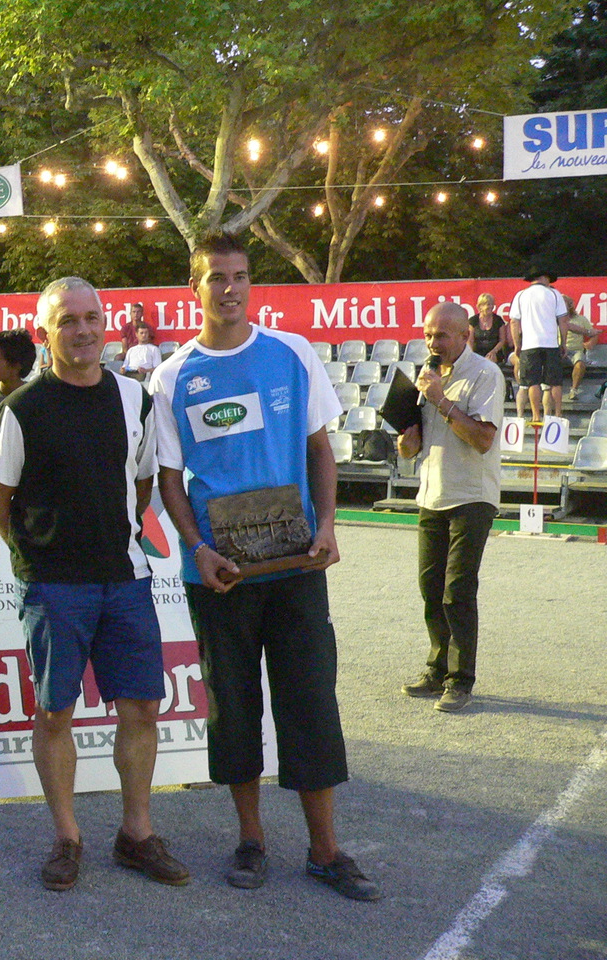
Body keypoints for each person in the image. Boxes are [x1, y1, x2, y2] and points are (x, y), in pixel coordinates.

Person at [151, 231, 379, 902]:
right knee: (234, 710)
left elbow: (320, 449)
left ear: (252, 283)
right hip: (220, 578)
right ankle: (250, 840)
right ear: (194, 288)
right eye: (216, 277)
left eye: (240, 276)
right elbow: (170, 480)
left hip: (296, 571)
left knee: (310, 705)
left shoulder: (292, 353)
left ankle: (325, 850)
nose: (230, 289)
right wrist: (198, 548)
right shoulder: (172, 377)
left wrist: (328, 525)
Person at [0, 277, 188, 893]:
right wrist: (41, 559)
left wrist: (110, 536)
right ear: (45, 332)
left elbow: (143, 484)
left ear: (106, 323)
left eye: (92, 317)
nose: (83, 330)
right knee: (55, 712)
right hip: (54, 587)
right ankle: (67, 838)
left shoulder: (134, 398)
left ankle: (136, 834)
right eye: (68, 320)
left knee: (142, 707)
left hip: (126, 578)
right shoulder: (20, 409)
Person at [396, 303, 504, 714]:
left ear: (465, 335)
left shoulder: (485, 374)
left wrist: (441, 400)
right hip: (431, 494)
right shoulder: (426, 377)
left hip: (471, 495)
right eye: (427, 335)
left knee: (457, 591)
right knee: (430, 588)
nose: (432, 343)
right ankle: (437, 668)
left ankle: (460, 680)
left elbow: (482, 439)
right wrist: (407, 442)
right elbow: (413, 448)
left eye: (440, 335)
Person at [508, 269, 567, 421]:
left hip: (529, 344)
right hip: (551, 343)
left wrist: (517, 344)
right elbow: (563, 321)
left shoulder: (521, 295)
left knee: (532, 382)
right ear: (544, 278)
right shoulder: (554, 294)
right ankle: (558, 414)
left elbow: (514, 322)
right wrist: (563, 342)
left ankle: (536, 416)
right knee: (555, 382)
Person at [560, 294, 599, 403]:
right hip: (559, 350)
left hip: (576, 350)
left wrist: (590, 343)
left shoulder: (581, 319)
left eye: (563, 303)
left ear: (570, 305)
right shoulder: (554, 319)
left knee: (580, 363)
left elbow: (594, 333)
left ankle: (574, 390)